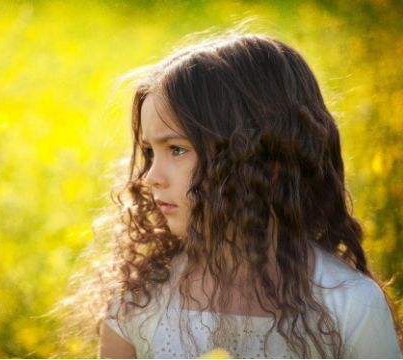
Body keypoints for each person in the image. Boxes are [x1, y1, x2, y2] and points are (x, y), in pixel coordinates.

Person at [60, 33, 402, 359]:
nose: (150, 177)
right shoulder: (138, 301)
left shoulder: (349, 304)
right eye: (150, 152)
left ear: (258, 155)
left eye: (176, 149)